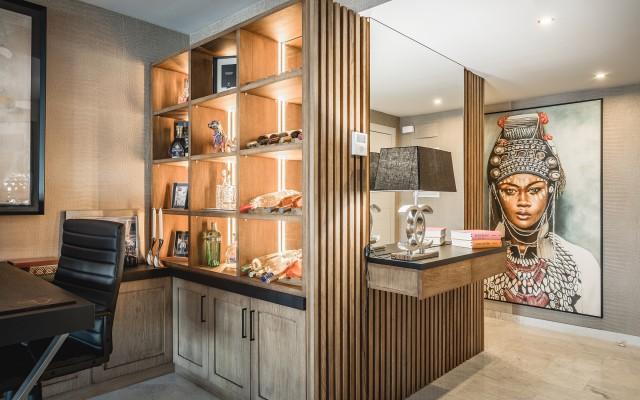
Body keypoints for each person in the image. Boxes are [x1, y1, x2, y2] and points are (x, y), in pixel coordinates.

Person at [484, 112, 600, 315]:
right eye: (510, 191)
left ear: (550, 190)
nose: (523, 201)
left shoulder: (582, 263)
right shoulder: (479, 262)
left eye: (534, 190)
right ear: (496, 195)